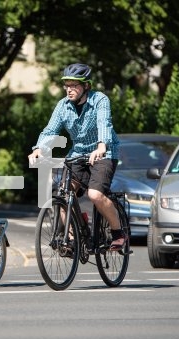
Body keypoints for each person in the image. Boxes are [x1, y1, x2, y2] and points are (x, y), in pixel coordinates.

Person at [28, 63, 126, 251]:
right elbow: (50, 130)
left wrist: (101, 145)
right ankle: (74, 235)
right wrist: (39, 148)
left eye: (74, 85)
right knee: (63, 195)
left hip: (104, 152)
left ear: (86, 86)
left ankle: (118, 233)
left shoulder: (99, 100)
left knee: (95, 195)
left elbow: (104, 123)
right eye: (67, 85)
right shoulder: (63, 106)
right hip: (78, 154)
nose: (69, 90)